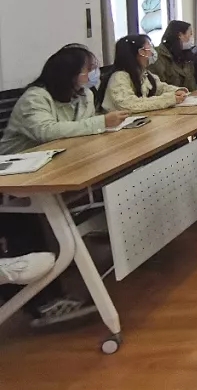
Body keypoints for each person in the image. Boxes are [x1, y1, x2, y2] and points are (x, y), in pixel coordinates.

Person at [0, 45, 129, 327]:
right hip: (18, 177)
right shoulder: (36, 98)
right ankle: (41, 301)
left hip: (58, 165)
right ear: (68, 74)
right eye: (88, 70)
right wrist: (100, 123)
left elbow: (82, 131)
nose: (93, 74)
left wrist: (98, 125)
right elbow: (46, 132)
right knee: (25, 229)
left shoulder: (83, 95)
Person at [103, 35, 188, 113]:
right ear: (140, 52)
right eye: (149, 48)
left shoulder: (144, 73)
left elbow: (159, 88)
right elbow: (130, 104)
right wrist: (168, 99)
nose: (152, 52)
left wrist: (177, 91)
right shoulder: (119, 77)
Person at [149, 20, 197, 91]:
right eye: (190, 34)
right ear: (180, 35)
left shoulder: (186, 55)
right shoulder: (157, 56)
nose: (192, 38)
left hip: (189, 96)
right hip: (170, 96)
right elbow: (158, 86)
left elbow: (192, 83)